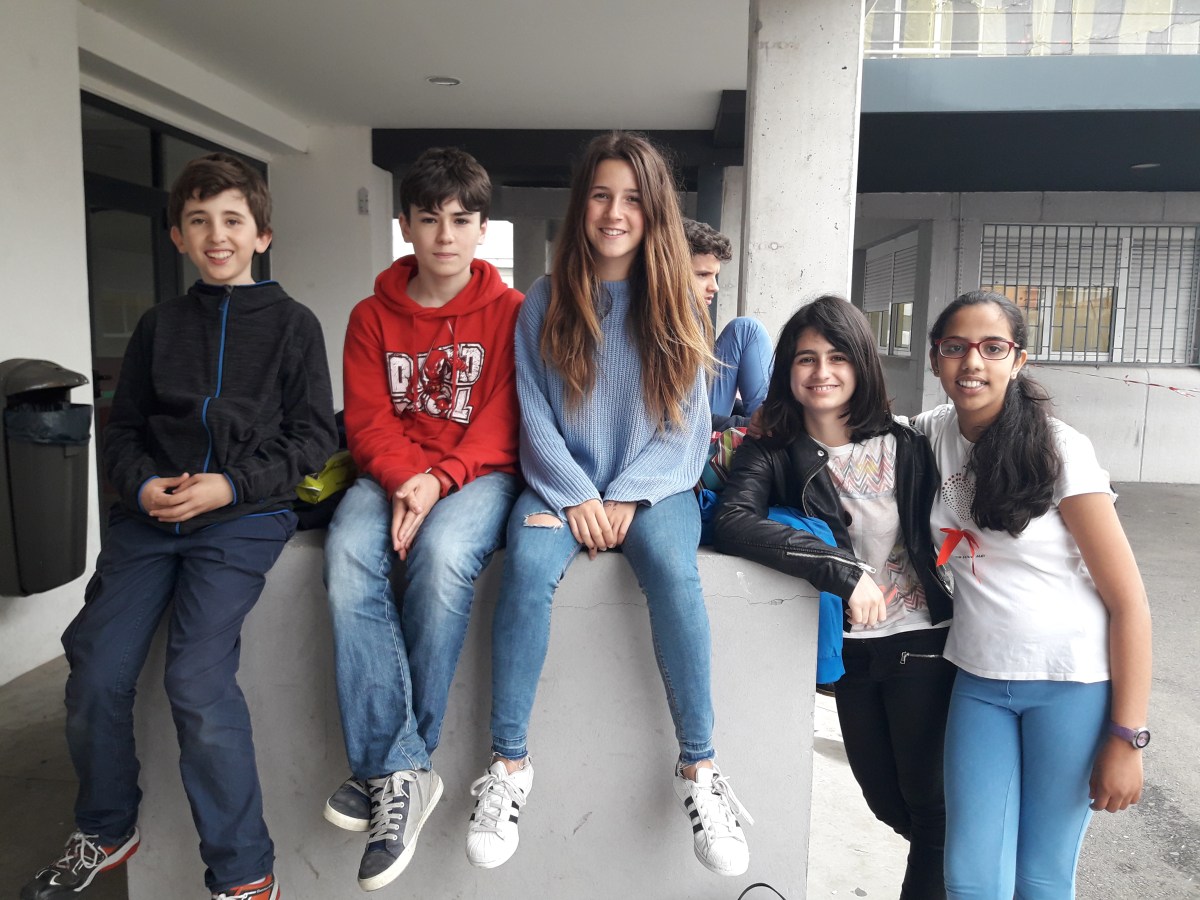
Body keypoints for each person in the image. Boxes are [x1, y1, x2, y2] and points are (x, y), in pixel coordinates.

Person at [21, 153, 338, 900]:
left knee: (196, 679)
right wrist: (142, 485)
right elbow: (123, 428)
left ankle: (244, 874)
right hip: (150, 520)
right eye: (199, 221)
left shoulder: (294, 325)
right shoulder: (158, 326)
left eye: (232, 220)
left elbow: (313, 437)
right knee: (94, 666)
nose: (216, 235)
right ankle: (106, 828)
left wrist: (230, 483)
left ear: (262, 235)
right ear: (177, 236)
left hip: (242, 520)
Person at [463, 131, 752, 877]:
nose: (614, 212)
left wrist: (624, 497)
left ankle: (700, 770)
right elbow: (533, 412)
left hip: (653, 489)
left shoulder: (679, 302)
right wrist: (579, 496)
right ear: (580, 206)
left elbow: (687, 427)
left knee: (674, 573)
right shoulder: (545, 300)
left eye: (631, 198)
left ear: (654, 211)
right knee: (527, 570)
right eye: (600, 195)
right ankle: (508, 767)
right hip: (560, 486)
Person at [320, 147, 523, 891]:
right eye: (430, 218)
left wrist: (438, 481)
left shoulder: (512, 313)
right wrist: (407, 478)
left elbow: (504, 418)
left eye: (461, 220)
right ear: (404, 225)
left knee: (440, 559)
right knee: (347, 555)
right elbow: (368, 419)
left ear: (482, 229)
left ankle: (392, 765)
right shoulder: (371, 316)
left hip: (478, 474)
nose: (445, 234)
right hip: (391, 475)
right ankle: (404, 767)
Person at [714, 296, 955, 899]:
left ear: (861, 364)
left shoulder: (907, 444)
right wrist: (843, 571)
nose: (822, 371)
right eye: (806, 358)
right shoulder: (772, 450)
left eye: (837, 357)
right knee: (886, 802)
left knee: (932, 808)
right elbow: (732, 520)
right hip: (848, 650)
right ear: (788, 370)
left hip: (921, 642)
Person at [913, 291, 1152, 899]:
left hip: (1071, 685)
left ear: (1019, 359)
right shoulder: (933, 432)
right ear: (935, 357)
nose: (973, 362)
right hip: (979, 681)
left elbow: (1129, 602)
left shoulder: (1060, 449)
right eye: (955, 347)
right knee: (970, 877)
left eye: (993, 348)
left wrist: (1128, 738)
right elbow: (850, 434)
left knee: (1040, 876)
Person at [682, 218, 773, 430]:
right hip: (685, 434)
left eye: (715, 276)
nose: (714, 287)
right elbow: (677, 419)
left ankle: (770, 421)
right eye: (702, 275)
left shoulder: (693, 318)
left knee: (745, 329)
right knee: (748, 329)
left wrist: (746, 415)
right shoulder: (656, 326)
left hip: (701, 414)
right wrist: (746, 424)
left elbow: (698, 395)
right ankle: (769, 431)